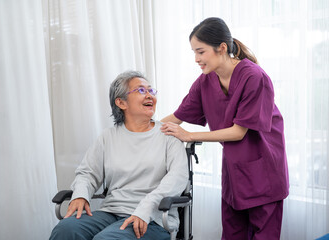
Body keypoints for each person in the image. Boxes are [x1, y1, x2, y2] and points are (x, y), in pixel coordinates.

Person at [160, 17, 289, 240]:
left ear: (221, 48)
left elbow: (238, 132)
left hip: (264, 171)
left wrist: (189, 135)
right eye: (194, 52)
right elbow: (178, 116)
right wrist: (143, 129)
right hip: (234, 171)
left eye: (200, 52)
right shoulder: (205, 81)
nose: (196, 59)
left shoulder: (253, 77)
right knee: (232, 234)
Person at [50, 71, 188, 240]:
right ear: (121, 102)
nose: (149, 96)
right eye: (141, 91)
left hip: (153, 218)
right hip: (110, 212)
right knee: (65, 230)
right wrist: (80, 195)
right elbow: (87, 173)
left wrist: (145, 209)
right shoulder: (108, 137)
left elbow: (177, 178)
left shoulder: (169, 136)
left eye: (151, 91)